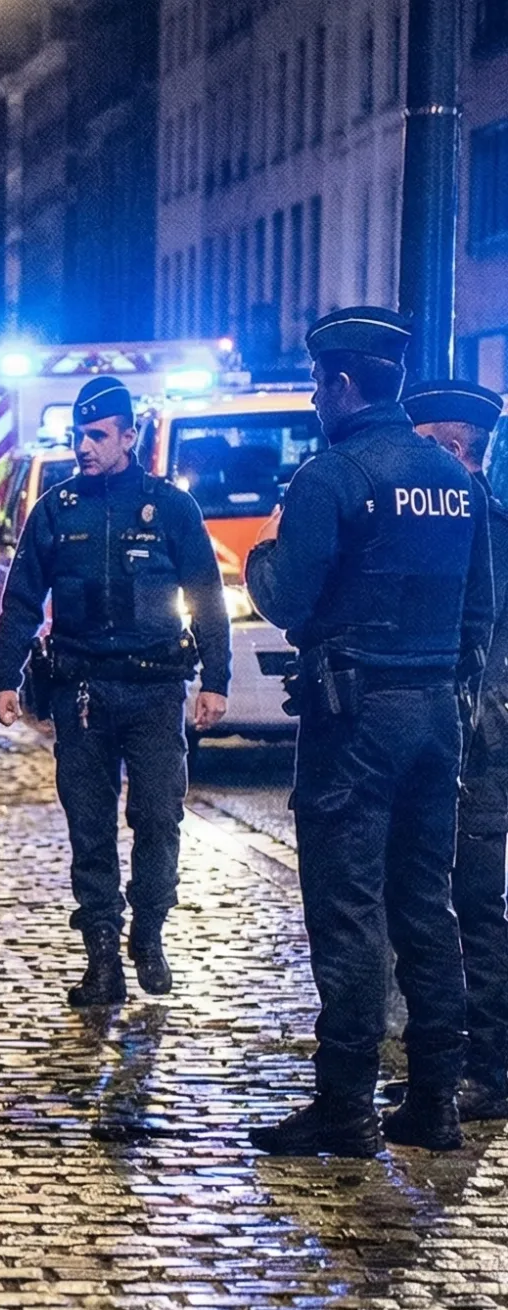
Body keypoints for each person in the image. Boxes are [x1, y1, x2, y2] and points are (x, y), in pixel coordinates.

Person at [246, 308, 492, 1155]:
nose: (316, 399)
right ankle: (435, 1098)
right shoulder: (455, 478)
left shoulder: (332, 477)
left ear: (344, 384)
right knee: (426, 905)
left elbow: (287, 597)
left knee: (347, 907)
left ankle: (346, 1104)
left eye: (319, 384)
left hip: (353, 720)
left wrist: (263, 552)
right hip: (435, 713)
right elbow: (480, 613)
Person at [0, 376, 231, 1007]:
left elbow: (206, 596)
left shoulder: (171, 507)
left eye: (97, 435)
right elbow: (22, 600)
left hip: (154, 690)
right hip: (82, 693)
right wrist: (4, 678)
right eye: (80, 435)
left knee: (159, 817)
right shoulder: (57, 509)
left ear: (130, 436)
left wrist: (216, 680)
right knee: (89, 828)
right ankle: (102, 958)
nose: (84, 447)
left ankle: (148, 929)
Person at [410, 379, 508, 1122]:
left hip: (480, 741)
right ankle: (441, 1067)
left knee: (473, 905)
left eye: (422, 444)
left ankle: (490, 1067)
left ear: (452, 447)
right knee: (427, 904)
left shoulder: (488, 528)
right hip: (443, 732)